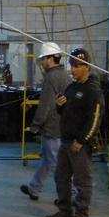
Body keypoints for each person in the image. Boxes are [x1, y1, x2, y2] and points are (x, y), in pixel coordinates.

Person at [43, 48, 103, 217]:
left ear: (87, 67)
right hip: (66, 141)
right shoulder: (73, 87)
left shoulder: (93, 91)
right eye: (72, 65)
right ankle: (65, 211)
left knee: (82, 181)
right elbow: (66, 111)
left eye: (77, 66)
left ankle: (82, 215)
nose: (73, 69)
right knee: (61, 177)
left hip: (79, 144)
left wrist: (82, 140)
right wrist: (59, 106)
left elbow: (95, 119)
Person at [21, 42, 72, 202]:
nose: (41, 62)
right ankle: (34, 188)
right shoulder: (63, 75)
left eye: (43, 58)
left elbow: (47, 105)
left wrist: (36, 124)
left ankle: (71, 197)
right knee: (46, 160)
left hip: (53, 128)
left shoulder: (51, 77)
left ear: (50, 58)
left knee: (57, 166)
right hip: (61, 125)